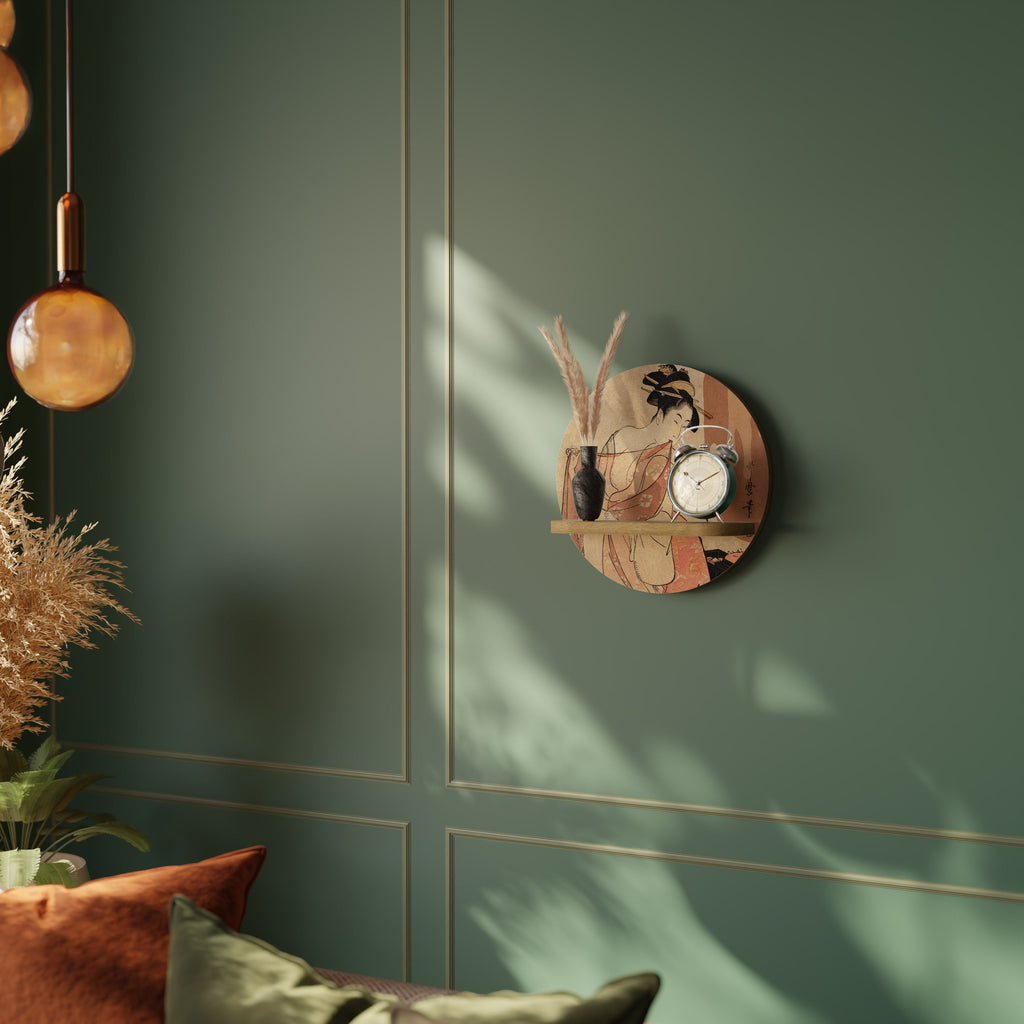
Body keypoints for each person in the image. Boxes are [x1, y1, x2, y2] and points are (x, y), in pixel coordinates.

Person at [599, 365, 707, 592]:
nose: (679, 431)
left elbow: (672, 498)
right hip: (621, 523)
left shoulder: (670, 451)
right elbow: (604, 486)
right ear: (660, 413)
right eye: (676, 420)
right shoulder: (624, 438)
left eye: (684, 426)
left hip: (659, 523)